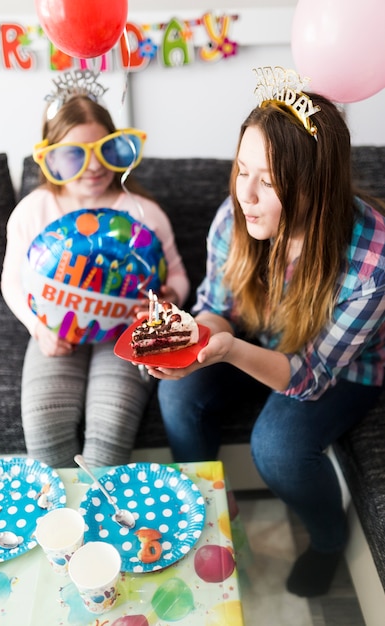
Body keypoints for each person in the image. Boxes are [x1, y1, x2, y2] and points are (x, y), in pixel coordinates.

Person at [152, 66, 385, 597]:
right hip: (261, 340)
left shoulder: (370, 264)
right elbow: (215, 306)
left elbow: (310, 378)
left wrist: (229, 349)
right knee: (177, 389)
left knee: (277, 446)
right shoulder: (236, 217)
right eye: (242, 170)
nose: (246, 195)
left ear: (315, 189)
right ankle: (210, 510)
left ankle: (328, 537)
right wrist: (192, 340)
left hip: (342, 371)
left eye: (270, 181)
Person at [1, 70, 189, 469]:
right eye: (73, 153)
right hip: (56, 328)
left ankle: (105, 518)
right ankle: (58, 517)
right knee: (43, 420)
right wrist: (39, 330)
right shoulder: (34, 210)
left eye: (105, 150)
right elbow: (12, 281)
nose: (93, 166)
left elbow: (177, 276)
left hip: (123, 331)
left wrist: (168, 299)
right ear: (50, 156)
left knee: (112, 421)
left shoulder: (143, 212)